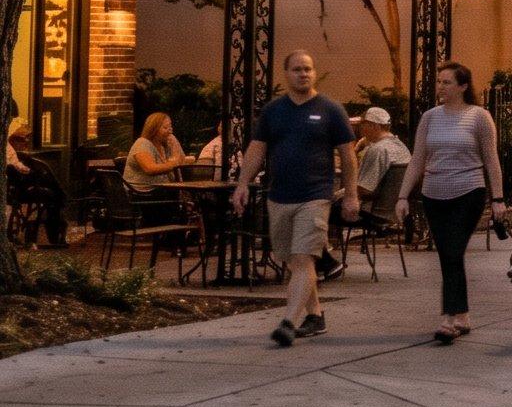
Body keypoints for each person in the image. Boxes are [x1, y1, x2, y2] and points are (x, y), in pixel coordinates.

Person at [227, 49, 359, 346]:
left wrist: (351, 195)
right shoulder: (274, 111)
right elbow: (257, 148)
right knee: (291, 260)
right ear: (286, 74)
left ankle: (288, 321)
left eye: (308, 69)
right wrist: (242, 184)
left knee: (303, 257)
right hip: (279, 196)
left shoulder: (330, 109)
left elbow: (348, 156)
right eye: (297, 69)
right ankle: (316, 316)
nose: (304, 74)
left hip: (315, 195)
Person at [398, 63, 504, 345]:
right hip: (434, 194)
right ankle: (463, 314)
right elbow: (418, 159)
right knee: (449, 253)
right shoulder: (430, 118)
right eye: (439, 82)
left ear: (463, 86)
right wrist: (403, 196)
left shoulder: (479, 117)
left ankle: (448, 318)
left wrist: (498, 199)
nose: (441, 87)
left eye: (447, 82)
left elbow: (491, 160)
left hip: (468, 192)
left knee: (453, 250)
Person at [123, 111, 203, 225]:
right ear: (153, 128)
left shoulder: (163, 145)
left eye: (170, 126)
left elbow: (179, 160)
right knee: (177, 201)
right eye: (165, 127)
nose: (170, 130)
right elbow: (149, 169)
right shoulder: (142, 144)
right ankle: (172, 234)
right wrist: (172, 164)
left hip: (156, 192)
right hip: (142, 194)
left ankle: (174, 233)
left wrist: (173, 144)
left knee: (183, 198)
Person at [6, 121, 68, 247]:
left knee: (45, 177)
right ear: (12, 139)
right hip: (18, 189)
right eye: (22, 139)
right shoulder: (9, 151)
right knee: (50, 190)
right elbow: (18, 169)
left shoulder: (12, 151)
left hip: (17, 186)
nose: (26, 142)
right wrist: (30, 171)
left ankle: (60, 197)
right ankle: (56, 235)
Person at [352, 108, 410, 206]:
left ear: (373, 125)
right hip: (393, 208)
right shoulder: (402, 147)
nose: (359, 128)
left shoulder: (378, 150)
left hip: (371, 210)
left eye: (362, 123)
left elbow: (365, 189)